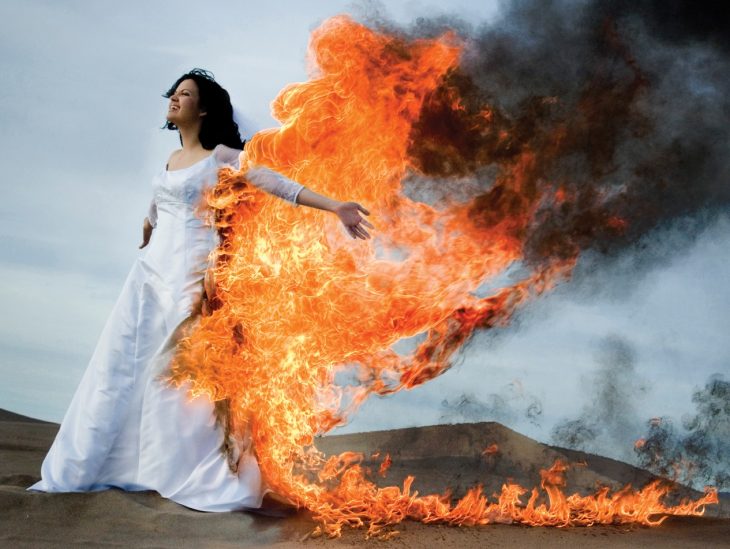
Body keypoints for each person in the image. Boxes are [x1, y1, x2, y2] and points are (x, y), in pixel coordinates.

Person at [28, 68, 374, 512]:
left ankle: (189, 473)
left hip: (191, 276)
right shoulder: (170, 161)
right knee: (122, 369)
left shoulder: (222, 157)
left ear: (203, 108)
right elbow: (163, 195)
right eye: (173, 93)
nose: (174, 98)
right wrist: (150, 220)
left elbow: (276, 184)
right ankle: (112, 468)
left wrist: (335, 207)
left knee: (176, 378)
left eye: (185, 94)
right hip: (150, 276)